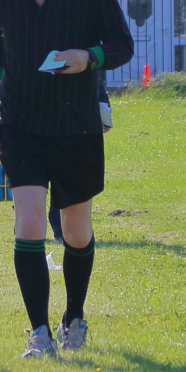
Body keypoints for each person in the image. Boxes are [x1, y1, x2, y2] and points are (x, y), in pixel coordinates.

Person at [0, 0, 133, 358]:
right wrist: (1, 82)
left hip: (75, 124)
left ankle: (75, 316)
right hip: (20, 123)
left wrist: (88, 58)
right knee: (28, 224)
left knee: (76, 230)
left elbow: (121, 45)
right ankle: (39, 333)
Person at [49, 74, 112, 244]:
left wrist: (103, 112)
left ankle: (61, 230)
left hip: (72, 121)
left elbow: (94, 77)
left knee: (64, 177)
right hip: (31, 117)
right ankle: (27, 226)